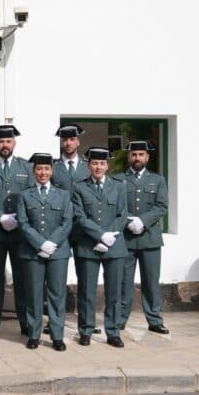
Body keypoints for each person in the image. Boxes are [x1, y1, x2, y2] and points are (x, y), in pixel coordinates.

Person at [71, 147, 128, 348]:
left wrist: (109, 237)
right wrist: (100, 235)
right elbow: (79, 216)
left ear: (107, 165)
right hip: (88, 246)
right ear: (88, 165)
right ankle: (85, 330)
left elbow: (122, 214)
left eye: (102, 163)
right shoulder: (79, 187)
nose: (98, 167)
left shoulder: (119, 186)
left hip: (114, 246)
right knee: (87, 291)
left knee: (113, 292)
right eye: (94, 163)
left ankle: (112, 332)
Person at [0, 125, 34, 336]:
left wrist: (18, 218)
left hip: (21, 233)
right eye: (1, 141)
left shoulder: (26, 167)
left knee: (23, 280)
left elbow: (31, 196)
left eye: (8, 141)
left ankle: (27, 324)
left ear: (14, 143)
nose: (5, 145)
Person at [17, 153, 73, 351]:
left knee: (57, 295)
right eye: (39, 169)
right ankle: (34, 334)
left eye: (46, 169)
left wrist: (52, 243)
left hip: (58, 252)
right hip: (32, 252)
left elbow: (67, 223)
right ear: (34, 172)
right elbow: (22, 223)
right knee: (33, 295)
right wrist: (40, 243)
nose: (43, 173)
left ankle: (57, 336)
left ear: (52, 171)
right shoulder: (25, 195)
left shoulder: (63, 194)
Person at [115, 141, 170, 334]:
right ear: (129, 157)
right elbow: (116, 207)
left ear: (147, 157)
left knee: (151, 281)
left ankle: (154, 320)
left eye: (141, 154)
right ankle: (120, 318)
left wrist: (143, 221)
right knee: (124, 282)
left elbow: (162, 206)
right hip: (126, 239)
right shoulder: (118, 179)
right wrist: (130, 220)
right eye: (134, 154)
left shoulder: (158, 180)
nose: (137, 158)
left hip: (150, 239)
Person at [48, 123, 94, 335]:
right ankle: (54, 321)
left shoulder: (88, 166)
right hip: (60, 229)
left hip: (85, 231)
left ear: (78, 141)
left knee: (87, 279)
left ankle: (87, 323)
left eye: (72, 139)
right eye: (64, 139)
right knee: (56, 280)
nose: (68, 143)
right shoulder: (53, 167)